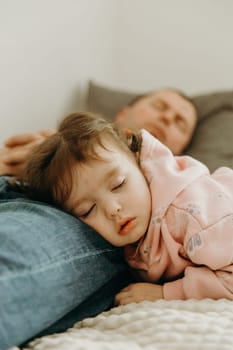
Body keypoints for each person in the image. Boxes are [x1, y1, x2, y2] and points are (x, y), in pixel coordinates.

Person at [22, 111, 233, 304]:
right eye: (87, 210)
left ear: (138, 161)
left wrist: (168, 293)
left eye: (118, 184)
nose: (113, 209)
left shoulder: (193, 215)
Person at [0, 88, 197, 178]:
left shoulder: (185, 186)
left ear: (182, 147)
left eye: (180, 123)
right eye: (159, 106)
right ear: (123, 113)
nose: (168, 118)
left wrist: (51, 170)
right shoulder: (55, 140)